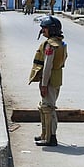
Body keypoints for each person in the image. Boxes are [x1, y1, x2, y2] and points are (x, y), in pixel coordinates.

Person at [28, 16, 67, 146]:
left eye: (45, 28)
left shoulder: (51, 45)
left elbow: (47, 66)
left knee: (48, 109)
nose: (43, 30)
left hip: (50, 80)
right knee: (45, 107)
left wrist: (43, 84)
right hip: (56, 78)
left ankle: (50, 138)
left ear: (52, 29)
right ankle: (45, 134)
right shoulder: (60, 43)